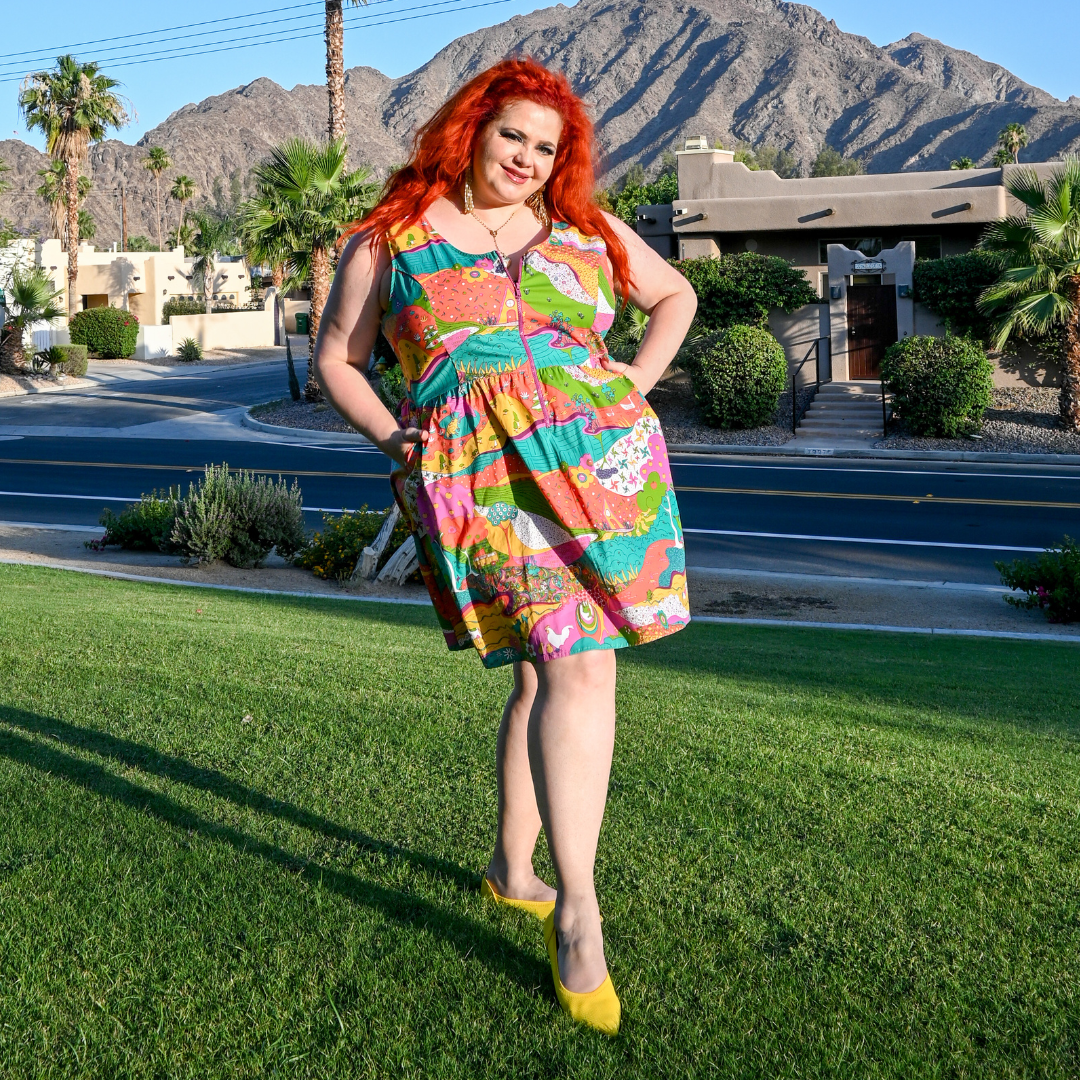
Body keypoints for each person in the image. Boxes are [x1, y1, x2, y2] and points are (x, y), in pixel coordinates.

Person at [314, 57, 696, 1036]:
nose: (527, 157)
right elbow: (339, 359)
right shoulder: (390, 238)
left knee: (544, 676)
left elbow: (675, 298)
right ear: (471, 130)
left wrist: (631, 390)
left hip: (599, 475)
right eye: (512, 135)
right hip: (482, 482)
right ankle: (578, 916)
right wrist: (398, 438)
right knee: (576, 666)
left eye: (547, 145)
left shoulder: (586, 231)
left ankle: (511, 868)